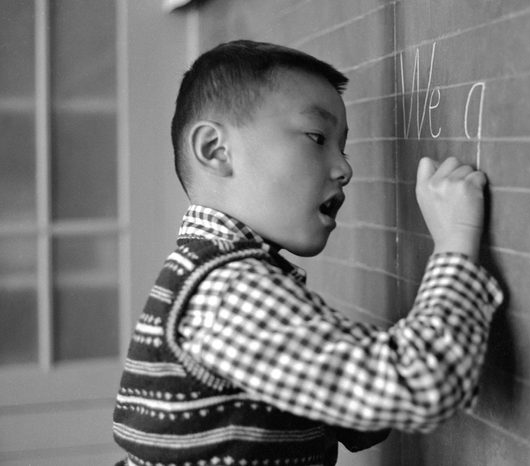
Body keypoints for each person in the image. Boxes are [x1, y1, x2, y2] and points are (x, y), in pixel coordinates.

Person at [112, 39, 503, 466]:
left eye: (343, 146)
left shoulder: (214, 277)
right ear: (216, 151)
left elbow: (351, 410)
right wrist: (455, 243)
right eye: (317, 138)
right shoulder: (230, 293)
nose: (345, 168)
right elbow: (421, 386)